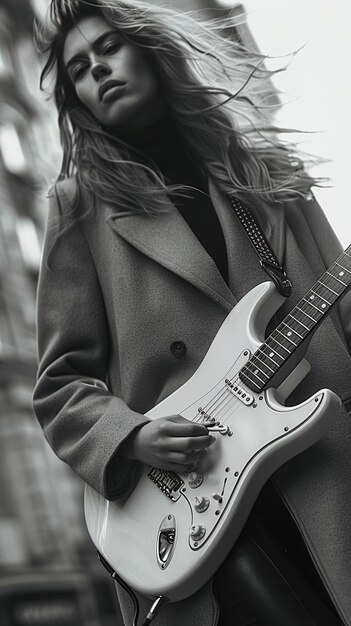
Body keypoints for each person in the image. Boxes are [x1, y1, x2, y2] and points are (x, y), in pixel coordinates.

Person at [33, 1, 351, 624]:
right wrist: (131, 437)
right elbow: (59, 386)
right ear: (77, 98)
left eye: (109, 48)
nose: (97, 69)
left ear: (152, 50)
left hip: (326, 467)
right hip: (197, 508)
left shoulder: (265, 172)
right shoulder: (79, 212)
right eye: (78, 67)